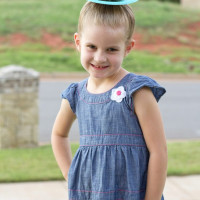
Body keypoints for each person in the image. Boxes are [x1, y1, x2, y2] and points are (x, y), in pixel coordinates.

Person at [51, 0, 168, 199]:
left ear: (128, 47)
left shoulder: (137, 91)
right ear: (78, 43)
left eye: (111, 49)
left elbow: (159, 152)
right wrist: (70, 174)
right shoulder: (76, 95)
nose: (99, 58)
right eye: (92, 46)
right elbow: (58, 134)